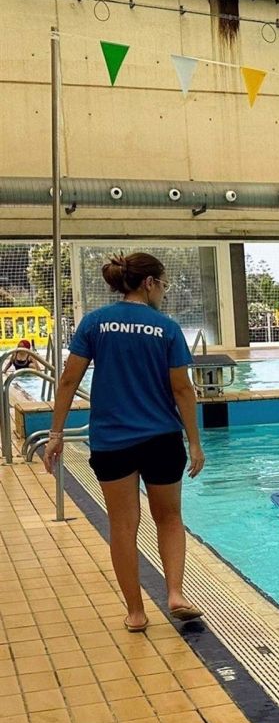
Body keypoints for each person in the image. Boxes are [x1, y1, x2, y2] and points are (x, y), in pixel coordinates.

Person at [43, 253, 204, 634]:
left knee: (122, 525)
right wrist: (195, 442)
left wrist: (56, 433)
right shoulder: (166, 328)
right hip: (161, 439)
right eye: (163, 284)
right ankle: (175, 594)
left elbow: (68, 380)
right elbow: (183, 389)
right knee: (169, 518)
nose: (163, 292)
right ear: (148, 283)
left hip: (112, 441)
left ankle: (135, 612)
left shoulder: (95, 323)